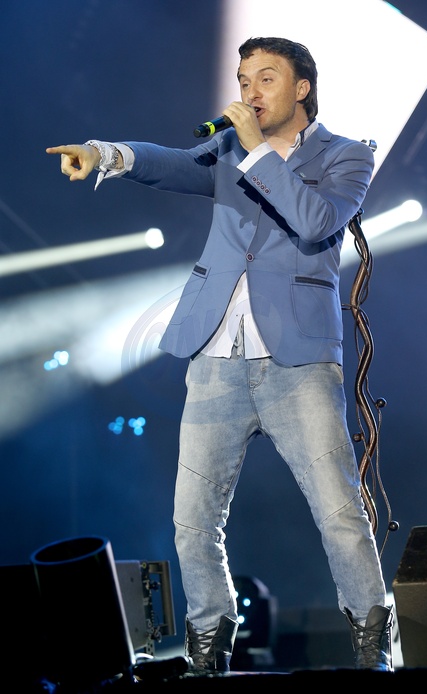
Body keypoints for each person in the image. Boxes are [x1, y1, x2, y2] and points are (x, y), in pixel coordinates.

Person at [47, 36, 393, 673]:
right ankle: (208, 646)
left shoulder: (348, 155)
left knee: (340, 511)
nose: (249, 92)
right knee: (193, 519)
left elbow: (316, 221)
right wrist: (106, 153)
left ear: (302, 88)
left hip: (298, 361)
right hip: (215, 355)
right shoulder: (228, 149)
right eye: (243, 79)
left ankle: (373, 644)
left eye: (266, 78)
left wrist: (257, 151)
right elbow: (172, 165)